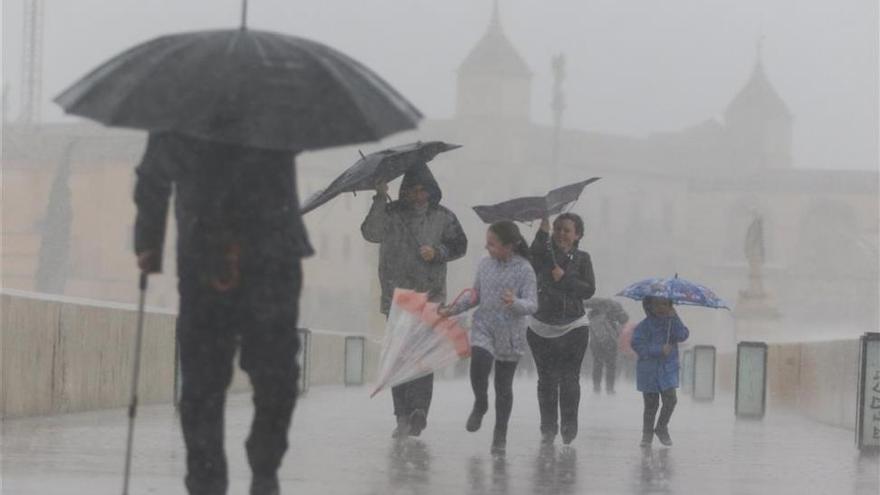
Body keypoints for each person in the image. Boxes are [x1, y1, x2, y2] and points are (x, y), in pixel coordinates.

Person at [134, 132, 311, 495]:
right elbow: (154, 173)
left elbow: (152, 175)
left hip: (264, 258)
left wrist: (149, 244)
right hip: (220, 258)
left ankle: (254, 466)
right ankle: (213, 477)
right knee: (212, 381)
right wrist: (149, 242)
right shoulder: (194, 104)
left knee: (268, 376)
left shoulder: (270, 100)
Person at [361, 163, 468, 438]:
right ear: (404, 192)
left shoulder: (444, 217)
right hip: (397, 295)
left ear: (432, 192)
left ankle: (419, 409)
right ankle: (401, 417)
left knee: (422, 357)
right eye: (413, 191)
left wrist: (438, 251)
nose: (419, 196)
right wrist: (378, 198)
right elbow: (371, 233)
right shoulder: (390, 212)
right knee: (399, 359)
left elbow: (460, 245)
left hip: (430, 296)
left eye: (423, 191)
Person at [440, 221, 538, 454]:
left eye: (492, 244)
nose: (487, 248)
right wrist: (453, 309)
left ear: (509, 246)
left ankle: (500, 433)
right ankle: (480, 402)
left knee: (503, 386)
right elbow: (475, 295)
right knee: (479, 365)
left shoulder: (525, 269)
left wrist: (515, 302)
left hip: (510, 332)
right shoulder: (484, 264)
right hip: (484, 326)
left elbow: (533, 304)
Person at [525, 213, 596, 445]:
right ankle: (548, 427)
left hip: (574, 326)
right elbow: (531, 256)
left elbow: (588, 290)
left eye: (567, 230)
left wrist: (564, 278)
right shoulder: (544, 254)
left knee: (569, 379)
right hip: (541, 327)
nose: (561, 234)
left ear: (577, 235)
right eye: (557, 229)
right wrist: (542, 231)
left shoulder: (583, 258)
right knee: (546, 380)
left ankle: (568, 424)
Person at [630, 296, 690, 447]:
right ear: (650, 306)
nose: (661, 307)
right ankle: (647, 435)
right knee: (651, 405)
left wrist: (675, 317)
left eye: (665, 304)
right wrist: (658, 350)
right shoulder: (644, 326)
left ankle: (662, 427)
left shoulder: (672, 323)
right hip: (649, 371)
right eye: (657, 304)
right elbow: (637, 344)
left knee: (671, 400)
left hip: (667, 370)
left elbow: (682, 335)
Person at [585, 297, 629, 394]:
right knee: (610, 365)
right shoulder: (614, 310)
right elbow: (624, 320)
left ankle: (597, 387)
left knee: (598, 364)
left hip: (596, 342)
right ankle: (609, 388)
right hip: (610, 341)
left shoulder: (593, 314)